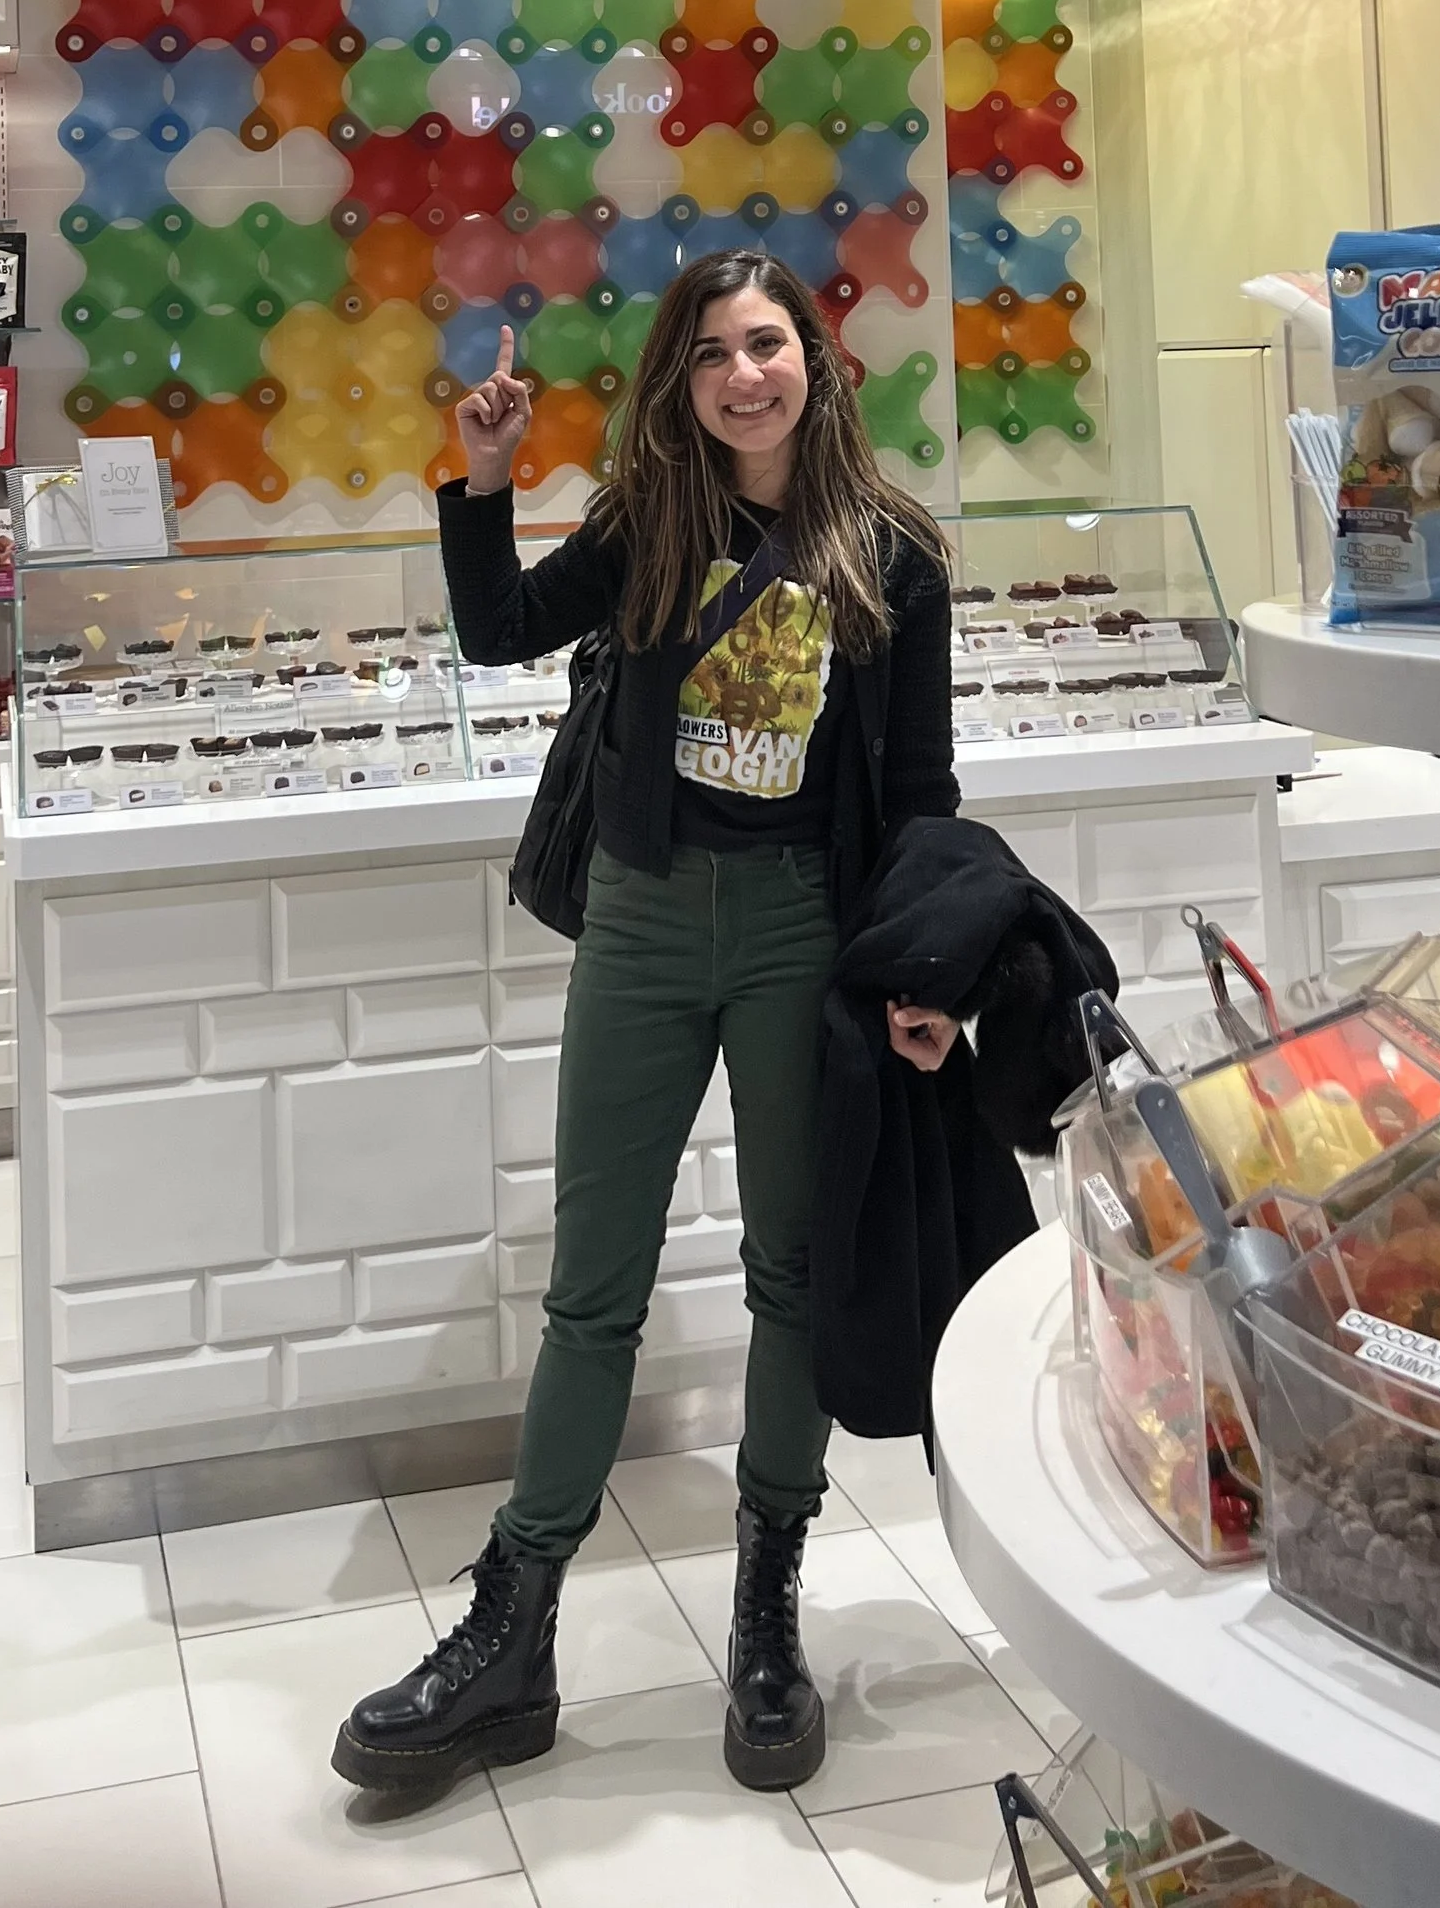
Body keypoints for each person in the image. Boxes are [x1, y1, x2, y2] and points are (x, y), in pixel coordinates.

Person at [332, 248, 964, 1801]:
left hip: (801, 935)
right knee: (590, 1289)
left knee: (792, 1276)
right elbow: (495, 633)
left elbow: (925, 797)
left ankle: (765, 1609)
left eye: (767, 345)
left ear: (813, 358)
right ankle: (516, 1624)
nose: (745, 376)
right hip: (638, 917)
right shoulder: (651, 527)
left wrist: (923, 980)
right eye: (710, 356)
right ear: (678, 387)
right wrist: (481, 474)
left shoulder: (894, 557)